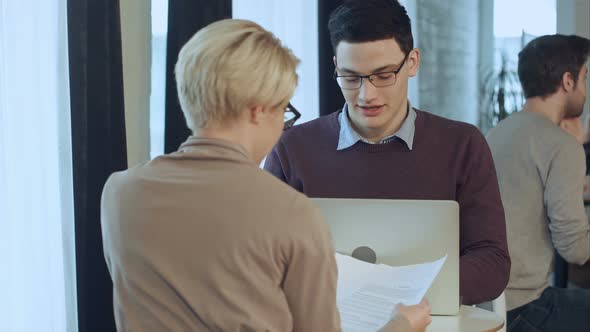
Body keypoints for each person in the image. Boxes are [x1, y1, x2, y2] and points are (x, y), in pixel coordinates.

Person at [101, 19, 431, 332]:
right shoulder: (292, 214)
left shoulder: (119, 193)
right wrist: (401, 324)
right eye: (284, 110)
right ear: (259, 110)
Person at [264, 0, 510, 305]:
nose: (368, 95)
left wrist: (401, 290)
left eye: (383, 75)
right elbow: (265, 258)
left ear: (412, 63)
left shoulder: (463, 145)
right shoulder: (292, 149)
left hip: (428, 320)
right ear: (336, 67)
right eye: (352, 78)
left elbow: (492, 261)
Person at [486, 34, 590, 331]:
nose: (585, 88)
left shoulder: (497, 132)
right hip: (525, 307)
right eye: (585, 77)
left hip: (490, 303)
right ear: (568, 81)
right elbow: (575, 250)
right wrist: (573, 149)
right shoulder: (560, 145)